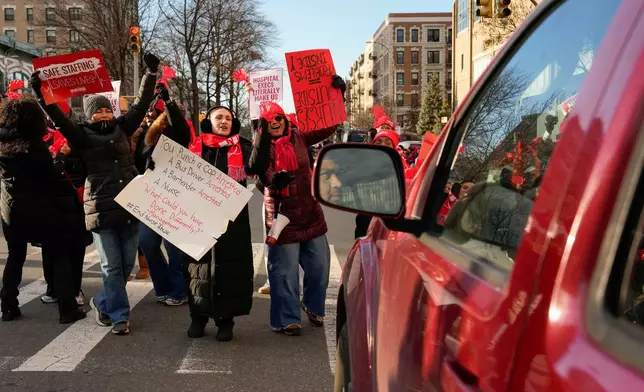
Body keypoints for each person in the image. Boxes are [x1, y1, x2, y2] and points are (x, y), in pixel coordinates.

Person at [30, 52, 160, 335]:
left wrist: (150, 74)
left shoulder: (123, 129)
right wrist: (41, 94)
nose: (103, 114)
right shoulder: (81, 135)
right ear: (89, 115)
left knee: (126, 266)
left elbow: (140, 105)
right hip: (100, 209)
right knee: (111, 267)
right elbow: (58, 117)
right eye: (97, 111)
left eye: (105, 110)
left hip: (129, 207)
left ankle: (102, 302)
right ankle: (119, 317)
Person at [249, 74, 345, 336]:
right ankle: (286, 318)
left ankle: (313, 306)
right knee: (285, 272)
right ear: (262, 125)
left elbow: (328, 126)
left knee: (319, 267)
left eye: (278, 118)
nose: (275, 123)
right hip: (281, 218)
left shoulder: (300, 137)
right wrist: (274, 181)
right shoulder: (262, 145)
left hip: (310, 213)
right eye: (268, 121)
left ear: (285, 119)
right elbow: (259, 170)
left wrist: (338, 96)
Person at [0, 96, 86, 323]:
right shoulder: (35, 147)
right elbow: (52, 174)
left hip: (11, 210)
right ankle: (67, 309)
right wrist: (61, 157)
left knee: (15, 256)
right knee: (59, 255)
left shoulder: (3, 146)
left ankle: (8, 306)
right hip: (41, 209)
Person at [181, 106, 254, 342]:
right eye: (219, 117)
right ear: (208, 121)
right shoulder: (194, 146)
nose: (224, 121)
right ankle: (198, 316)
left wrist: (259, 128)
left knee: (229, 266)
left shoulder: (241, 147)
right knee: (197, 266)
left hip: (231, 220)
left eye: (228, 118)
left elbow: (257, 166)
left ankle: (225, 319)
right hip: (199, 217)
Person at [137, 84, 191, 306]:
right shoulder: (147, 136)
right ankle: (163, 286)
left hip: (173, 198)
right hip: (149, 198)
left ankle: (180, 291)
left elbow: (179, 123)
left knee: (173, 248)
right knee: (147, 243)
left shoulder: (179, 132)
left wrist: (168, 101)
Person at [40, 122, 91, 307]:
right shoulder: (78, 142)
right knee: (72, 251)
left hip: (60, 205)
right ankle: (68, 290)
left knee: (55, 250)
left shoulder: (43, 143)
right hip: (72, 204)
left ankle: (56, 289)